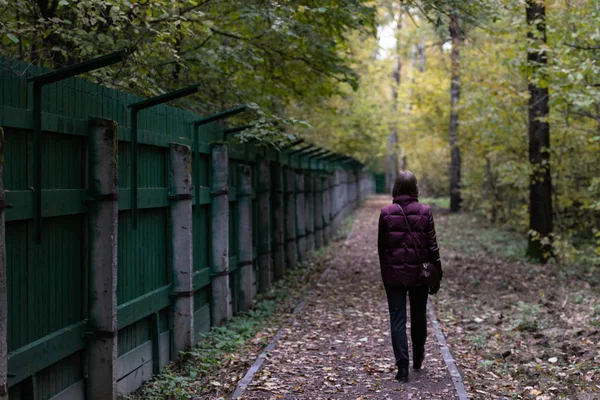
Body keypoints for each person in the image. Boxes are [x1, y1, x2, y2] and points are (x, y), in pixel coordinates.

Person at [377, 170, 443, 382]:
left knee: (397, 319)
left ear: (396, 187)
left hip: (394, 275)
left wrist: (386, 272)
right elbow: (432, 246)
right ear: (415, 187)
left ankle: (402, 367)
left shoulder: (386, 213)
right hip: (418, 274)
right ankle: (418, 358)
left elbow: (382, 248)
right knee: (418, 316)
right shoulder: (425, 211)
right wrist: (437, 274)